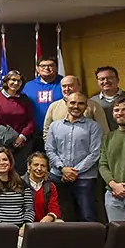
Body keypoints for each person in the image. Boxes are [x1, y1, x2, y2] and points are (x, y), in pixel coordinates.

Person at [46, 92, 102, 222]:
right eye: (72, 102)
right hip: (58, 177)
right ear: (66, 103)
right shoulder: (55, 125)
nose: (76, 106)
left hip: (85, 178)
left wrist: (74, 171)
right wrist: (63, 168)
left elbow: (95, 153)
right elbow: (50, 149)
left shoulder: (94, 127)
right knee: (61, 215)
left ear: (86, 106)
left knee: (87, 215)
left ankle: (89, 242)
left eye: (80, 103)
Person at [0, 70, 35, 174]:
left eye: (19, 81)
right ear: (6, 81)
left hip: (22, 144)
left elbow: (30, 121)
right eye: (13, 80)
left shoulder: (24, 99)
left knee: (20, 173)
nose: (16, 83)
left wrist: (21, 137)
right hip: (2, 142)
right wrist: (11, 138)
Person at [43, 75, 109, 140]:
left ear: (79, 87)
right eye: (64, 86)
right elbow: (47, 132)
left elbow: (104, 131)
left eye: (70, 85)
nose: (67, 89)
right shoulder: (54, 106)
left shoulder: (93, 106)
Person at [22, 56, 63, 135]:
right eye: (43, 66)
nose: (46, 68)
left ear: (56, 68)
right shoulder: (28, 86)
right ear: (37, 69)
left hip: (60, 131)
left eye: (50, 65)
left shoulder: (64, 84)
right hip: (34, 132)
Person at [26, 152, 61, 224]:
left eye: (43, 166)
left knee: (60, 223)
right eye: (36, 165)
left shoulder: (50, 186)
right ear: (29, 166)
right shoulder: (19, 184)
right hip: (24, 223)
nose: (39, 168)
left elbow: (54, 207)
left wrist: (50, 216)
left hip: (44, 224)